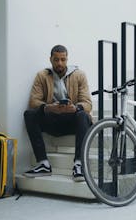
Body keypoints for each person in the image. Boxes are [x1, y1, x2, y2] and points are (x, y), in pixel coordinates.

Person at [23, 45, 92, 182]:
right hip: (52, 119)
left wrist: (76, 108)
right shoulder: (42, 75)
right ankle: (43, 164)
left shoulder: (79, 75)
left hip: (73, 119)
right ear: (50, 59)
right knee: (29, 114)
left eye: (63, 59)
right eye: (56, 60)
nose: (59, 63)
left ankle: (79, 164)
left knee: (83, 115)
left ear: (67, 59)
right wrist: (48, 108)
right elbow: (33, 101)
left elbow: (88, 104)